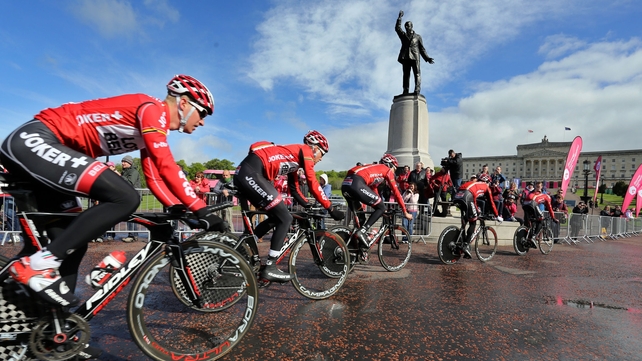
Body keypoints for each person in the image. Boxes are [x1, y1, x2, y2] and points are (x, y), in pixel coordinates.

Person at [0, 74, 223, 358]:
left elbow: (154, 174)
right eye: (202, 113)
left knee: (73, 241)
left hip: (47, 150)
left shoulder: (152, 126)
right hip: (35, 139)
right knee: (125, 196)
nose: (202, 121)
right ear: (184, 103)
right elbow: (166, 164)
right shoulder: (151, 109)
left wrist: (175, 206)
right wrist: (199, 207)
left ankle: (48, 332)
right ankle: (38, 264)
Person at [233, 130, 344, 282]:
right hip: (252, 173)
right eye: (322, 154)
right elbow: (312, 182)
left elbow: (295, 189)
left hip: (247, 172)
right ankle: (270, 266)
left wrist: (306, 204)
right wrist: (330, 208)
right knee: (286, 218)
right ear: (316, 148)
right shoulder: (305, 151)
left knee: (275, 218)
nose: (321, 159)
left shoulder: (293, 158)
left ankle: (243, 248)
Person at [341, 153, 413, 260]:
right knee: (381, 208)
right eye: (395, 169)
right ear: (390, 165)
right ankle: (363, 231)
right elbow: (396, 192)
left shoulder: (375, 170)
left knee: (361, 219)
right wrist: (405, 211)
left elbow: (374, 191)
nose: (394, 172)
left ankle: (356, 249)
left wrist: (379, 206)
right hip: (357, 183)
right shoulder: (387, 170)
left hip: (346, 184)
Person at [452, 173, 501, 259]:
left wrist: (476, 209)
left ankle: (461, 241)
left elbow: (474, 197)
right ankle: (466, 245)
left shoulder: (474, 183)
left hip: (458, 196)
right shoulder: (486, 186)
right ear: (487, 182)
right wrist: (497, 215)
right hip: (467, 196)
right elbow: (491, 203)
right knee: (473, 221)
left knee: (466, 219)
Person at [395, 10, 434, 94]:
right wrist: (399, 18)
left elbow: (422, 49)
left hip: (415, 57)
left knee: (417, 73)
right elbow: (397, 29)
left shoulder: (418, 37)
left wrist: (427, 58)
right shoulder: (403, 35)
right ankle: (405, 90)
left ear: (412, 26)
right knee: (406, 75)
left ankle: (417, 89)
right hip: (405, 57)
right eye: (405, 26)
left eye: (408, 26)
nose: (406, 27)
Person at [522, 181, 559, 247]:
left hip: (525, 206)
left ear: (541, 187)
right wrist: (553, 218)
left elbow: (549, 207)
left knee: (531, 223)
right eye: (537, 186)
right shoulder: (544, 196)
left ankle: (529, 239)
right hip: (532, 205)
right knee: (541, 220)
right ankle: (534, 237)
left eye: (539, 187)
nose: (538, 188)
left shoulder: (535, 193)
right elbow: (550, 208)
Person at [120, 155, 141, 243]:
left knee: (130, 216)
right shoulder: (125, 171)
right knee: (130, 216)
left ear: (130, 163)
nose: (123, 163)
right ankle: (133, 235)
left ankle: (132, 235)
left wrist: (119, 176)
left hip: (133, 197)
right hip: (129, 196)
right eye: (122, 161)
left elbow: (130, 182)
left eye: (125, 162)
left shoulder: (134, 171)